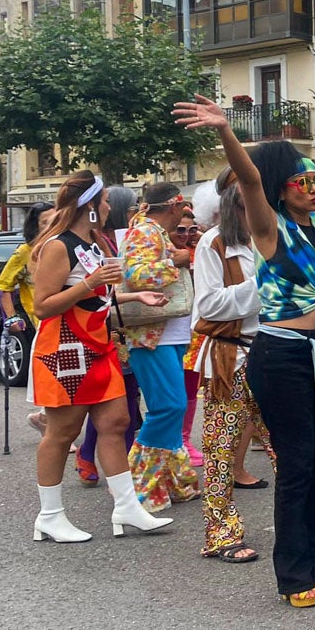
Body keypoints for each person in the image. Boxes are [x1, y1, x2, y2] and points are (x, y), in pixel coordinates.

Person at [174, 84, 315, 608]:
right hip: (282, 355)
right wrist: (225, 129)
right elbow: (247, 177)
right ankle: (293, 574)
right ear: (281, 190)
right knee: (298, 461)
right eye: (303, 182)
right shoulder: (269, 229)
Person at [29, 171, 174, 542]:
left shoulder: (93, 243)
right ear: (90, 206)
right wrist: (90, 283)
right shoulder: (58, 246)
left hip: (98, 342)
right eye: (106, 200)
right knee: (62, 432)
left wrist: (130, 296)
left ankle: (126, 506)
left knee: (116, 421)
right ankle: (49, 514)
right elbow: (44, 307)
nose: (110, 207)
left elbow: (96, 300)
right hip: (65, 347)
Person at [191, 168, 268, 562]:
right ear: (233, 203)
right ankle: (220, 533)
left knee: (290, 448)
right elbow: (207, 307)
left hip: (276, 356)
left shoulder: (273, 238)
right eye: (250, 199)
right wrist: (266, 286)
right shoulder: (213, 243)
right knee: (221, 450)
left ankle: (311, 522)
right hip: (230, 359)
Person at [123, 183, 200, 511]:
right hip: (151, 335)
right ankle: (142, 485)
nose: (186, 216)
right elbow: (137, 275)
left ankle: (172, 480)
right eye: (183, 210)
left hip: (168, 332)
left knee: (173, 407)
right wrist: (179, 260)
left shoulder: (154, 231)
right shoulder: (145, 232)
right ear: (173, 206)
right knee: (168, 407)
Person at [74, 185, 143, 487]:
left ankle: (113, 463)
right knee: (116, 401)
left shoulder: (120, 239)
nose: (134, 213)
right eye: (129, 209)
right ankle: (92, 455)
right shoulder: (96, 240)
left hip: (126, 327)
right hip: (102, 331)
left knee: (126, 401)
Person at [0, 201, 56, 433]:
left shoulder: (64, 246)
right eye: (45, 222)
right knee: (53, 379)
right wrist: (11, 318)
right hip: (44, 324)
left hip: (72, 321)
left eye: (55, 220)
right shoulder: (25, 253)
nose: (51, 225)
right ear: (35, 227)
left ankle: (44, 418)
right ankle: (52, 429)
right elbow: (2, 287)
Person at [172, 210, 205, 467]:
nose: (186, 235)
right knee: (170, 394)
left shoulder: (200, 250)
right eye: (181, 230)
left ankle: (184, 439)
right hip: (165, 332)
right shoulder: (159, 251)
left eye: (191, 229)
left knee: (190, 386)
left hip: (195, 329)